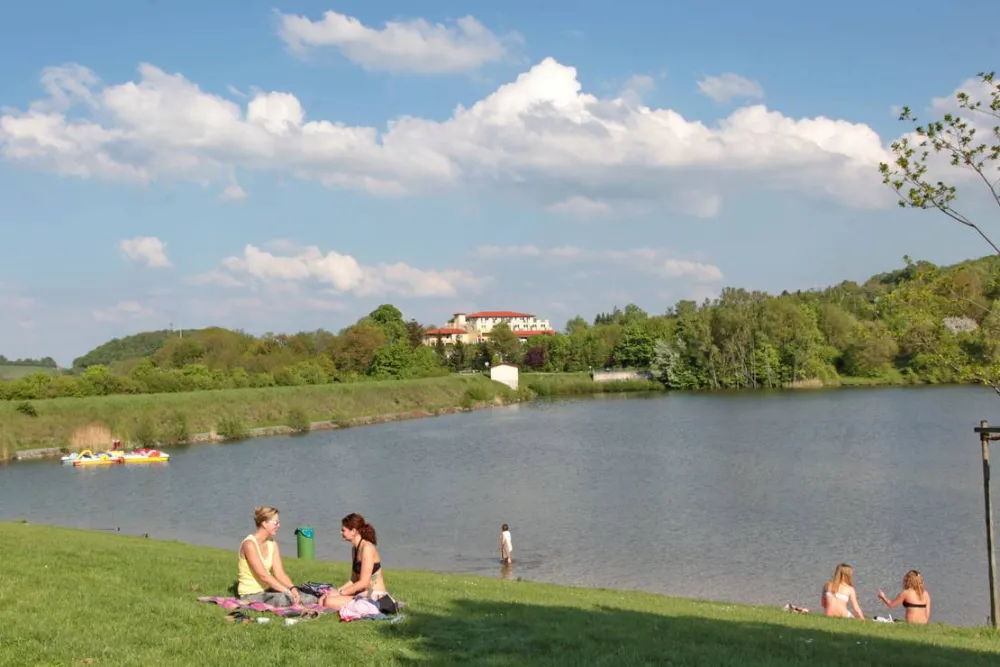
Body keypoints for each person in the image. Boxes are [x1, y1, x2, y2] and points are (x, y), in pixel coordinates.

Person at [237, 506, 317, 606]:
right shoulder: (249, 544)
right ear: (264, 523)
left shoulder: (272, 544)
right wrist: (286, 591)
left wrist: (292, 588)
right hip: (251, 594)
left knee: (309, 597)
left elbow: (280, 574)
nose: (279, 525)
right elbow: (264, 576)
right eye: (276, 522)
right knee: (287, 600)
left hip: (267, 590)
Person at [320, 513, 391, 611]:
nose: (341, 532)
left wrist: (340, 593)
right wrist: (338, 590)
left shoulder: (367, 548)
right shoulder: (355, 549)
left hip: (376, 596)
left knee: (328, 601)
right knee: (325, 598)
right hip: (364, 594)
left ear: (353, 531)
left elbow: (363, 583)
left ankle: (371, 608)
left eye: (343, 530)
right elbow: (354, 580)